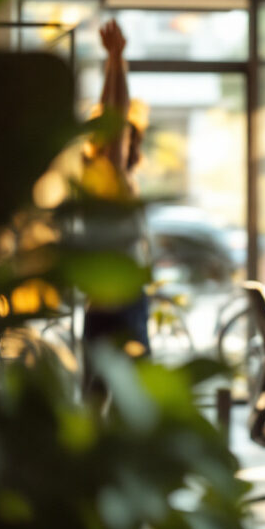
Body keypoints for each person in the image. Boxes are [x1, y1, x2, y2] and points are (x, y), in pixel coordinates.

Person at [81, 19, 150, 369]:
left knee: (98, 402)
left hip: (106, 304)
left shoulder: (105, 183)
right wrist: (116, 60)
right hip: (119, 306)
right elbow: (115, 116)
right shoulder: (110, 179)